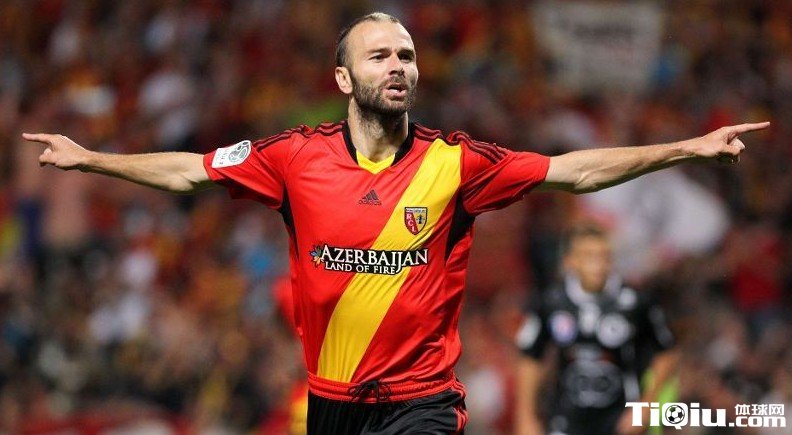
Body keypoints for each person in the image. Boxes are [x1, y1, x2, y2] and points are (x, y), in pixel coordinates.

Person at [22, 12, 767, 435]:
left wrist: (686, 148)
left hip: (422, 403)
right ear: (344, 77)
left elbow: (575, 170)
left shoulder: (456, 163)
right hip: (331, 404)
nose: (398, 65)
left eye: (406, 54)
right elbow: (190, 169)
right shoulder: (293, 157)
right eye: (379, 55)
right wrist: (91, 160)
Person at [514, 224, 678, 435]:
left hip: (621, 419)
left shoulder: (635, 302)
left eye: (604, 256)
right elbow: (530, 357)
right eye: (589, 256)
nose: (598, 265)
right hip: (566, 418)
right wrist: (526, 417)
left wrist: (645, 407)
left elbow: (666, 353)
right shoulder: (551, 302)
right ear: (570, 261)